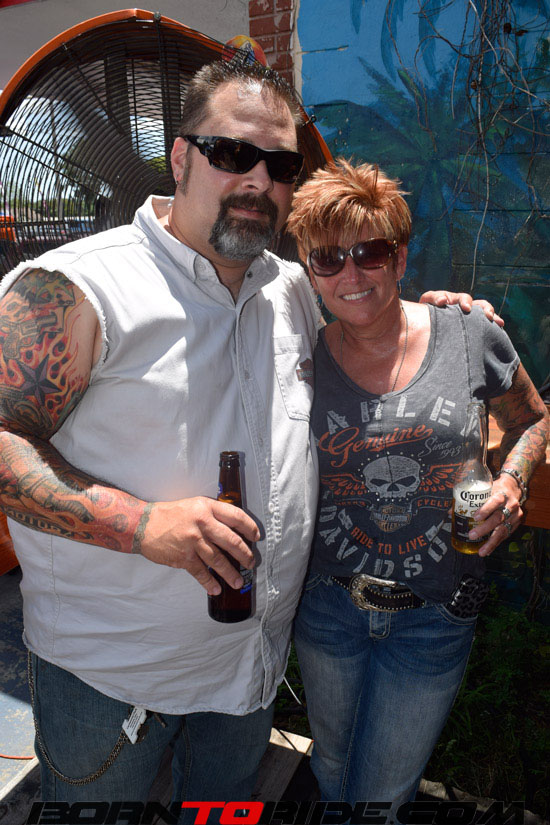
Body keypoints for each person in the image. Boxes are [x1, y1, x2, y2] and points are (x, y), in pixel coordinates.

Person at [0, 59, 497, 810]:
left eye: (281, 165)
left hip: (248, 670)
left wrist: (451, 319)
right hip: (111, 680)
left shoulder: (290, 286)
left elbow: (372, 326)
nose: (258, 180)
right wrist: (141, 524)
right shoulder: (81, 288)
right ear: (180, 157)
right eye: (232, 153)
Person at [286, 158, 549, 813]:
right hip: (327, 604)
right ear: (310, 270)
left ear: (400, 258)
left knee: (381, 794)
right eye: (328, 259)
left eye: (370, 253)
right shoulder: (299, 356)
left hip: (435, 612)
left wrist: (513, 482)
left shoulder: (469, 334)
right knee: (332, 762)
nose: (351, 275)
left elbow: (532, 419)